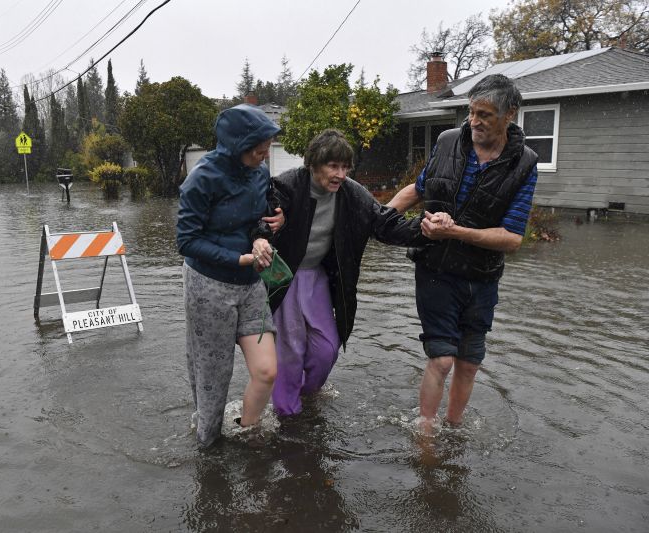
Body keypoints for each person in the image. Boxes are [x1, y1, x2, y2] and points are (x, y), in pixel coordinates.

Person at [387, 74, 539, 432]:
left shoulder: (525, 164)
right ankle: (425, 432)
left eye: (485, 115)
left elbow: (512, 238)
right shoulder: (448, 142)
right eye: (472, 112)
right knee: (441, 360)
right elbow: (419, 188)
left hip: (482, 278)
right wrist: (378, 219)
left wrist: (455, 230)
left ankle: (453, 429)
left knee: (468, 363)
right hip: (435, 269)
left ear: (509, 115)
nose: (475, 122)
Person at [268, 129, 424, 416]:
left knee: (327, 347)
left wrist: (425, 227)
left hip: (316, 277)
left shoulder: (353, 194)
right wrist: (270, 219)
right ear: (313, 164)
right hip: (284, 277)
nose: (340, 174)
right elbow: (263, 208)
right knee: (290, 352)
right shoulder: (288, 185)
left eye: (345, 167)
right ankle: (287, 415)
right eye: (333, 166)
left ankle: (305, 396)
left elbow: (384, 224)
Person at [177, 104, 283, 447]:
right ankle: (208, 454)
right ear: (237, 145)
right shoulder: (201, 180)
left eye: (267, 147)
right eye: (259, 149)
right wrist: (239, 258)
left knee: (267, 371)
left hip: (251, 283)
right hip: (208, 286)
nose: (265, 154)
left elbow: (257, 219)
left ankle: (248, 437)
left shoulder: (259, 173)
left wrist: (264, 234)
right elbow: (187, 241)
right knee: (213, 380)